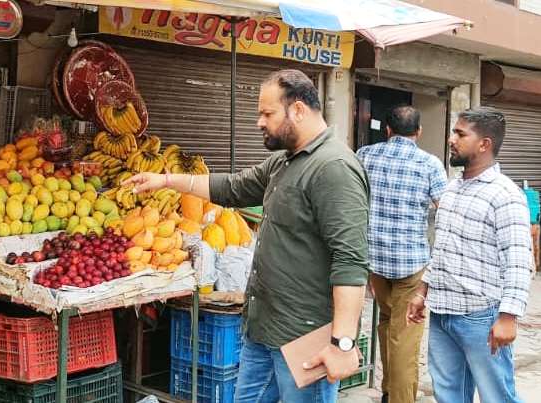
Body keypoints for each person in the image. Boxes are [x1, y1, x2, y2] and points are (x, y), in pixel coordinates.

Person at [125, 69, 368, 402]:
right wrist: (167, 181)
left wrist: (343, 343)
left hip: (303, 340)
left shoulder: (334, 168)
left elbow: (351, 260)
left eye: (267, 113)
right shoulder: (283, 162)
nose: (259, 122)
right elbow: (232, 188)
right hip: (262, 328)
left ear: (297, 110)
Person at [406, 107, 531, 403]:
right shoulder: (451, 190)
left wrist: (508, 317)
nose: (451, 139)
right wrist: (422, 290)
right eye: (454, 132)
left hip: (481, 317)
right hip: (442, 313)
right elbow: (443, 249)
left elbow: (519, 260)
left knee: (496, 395)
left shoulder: (505, 195)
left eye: (460, 134)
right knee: (448, 394)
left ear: (484, 144)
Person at [356, 106, 447, 403]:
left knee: (387, 321)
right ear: (418, 132)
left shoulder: (365, 155)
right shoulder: (429, 163)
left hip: (375, 262)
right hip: (411, 264)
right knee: (405, 337)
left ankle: (387, 392)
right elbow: (444, 208)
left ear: (388, 130)